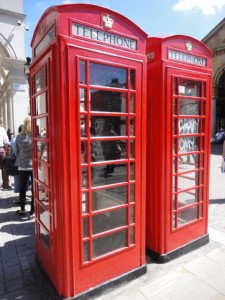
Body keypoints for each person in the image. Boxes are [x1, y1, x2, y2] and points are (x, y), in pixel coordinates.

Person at [15, 116, 34, 218]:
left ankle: (22, 209)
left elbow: (16, 152)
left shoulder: (18, 137)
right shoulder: (34, 136)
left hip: (22, 165)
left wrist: (22, 158)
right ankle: (32, 210)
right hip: (33, 165)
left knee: (23, 188)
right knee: (34, 189)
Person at [0, 117, 13, 190]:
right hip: (1, 150)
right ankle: (5, 184)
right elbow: (6, 141)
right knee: (4, 168)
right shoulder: (2, 130)